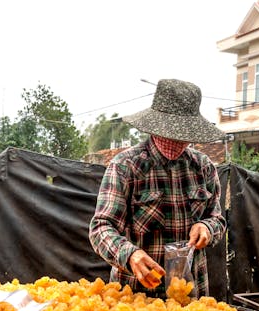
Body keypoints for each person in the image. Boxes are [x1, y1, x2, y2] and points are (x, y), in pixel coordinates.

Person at [89, 78, 226, 298]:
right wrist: (129, 254)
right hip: (136, 298)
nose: (175, 142)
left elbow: (217, 218)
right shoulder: (126, 166)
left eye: (183, 136)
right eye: (168, 133)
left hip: (190, 296)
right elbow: (101, 227)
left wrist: (207, 228)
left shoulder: (203, 167)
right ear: (154, 126)